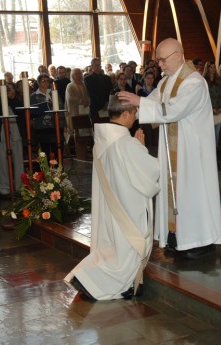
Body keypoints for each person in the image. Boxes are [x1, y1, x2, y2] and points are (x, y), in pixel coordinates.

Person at [117, 38, 221, 259]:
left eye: (163, 60)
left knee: (192, 194)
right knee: (176, 192)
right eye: (158, 61)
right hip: (173, 150)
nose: (160, 65)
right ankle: (177, 237)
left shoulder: (193, 81)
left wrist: (140, 102)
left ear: (178, 55)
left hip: (192, 152)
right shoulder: (166, 83)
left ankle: (199, 241)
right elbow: (153, 102)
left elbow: (174, 109)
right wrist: (130, 106)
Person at [64, 95, 159, 300]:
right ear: (125, 114)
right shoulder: (126, 143)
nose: (136, 117)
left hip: (110, 204)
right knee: (127, 248)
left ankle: (93, 278)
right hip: (127, 206)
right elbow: (149, 173)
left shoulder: (103, 139)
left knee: (114, 246)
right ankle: (99, 283)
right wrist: (141, 147)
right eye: (134, 112)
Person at [84, 57, 113, 124]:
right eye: (96, 65)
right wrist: (101, 104)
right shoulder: (87, 79)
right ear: (92, 66)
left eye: (99, 65)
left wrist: (106, 102)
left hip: (107, 104)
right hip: (94, 105)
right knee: (96, 126)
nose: (98, 67)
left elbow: (110, 91)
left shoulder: (107, 78)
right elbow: (91, 92)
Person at [203, 61, 221, 148]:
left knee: (217, 132)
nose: (213, 69)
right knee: (208, 132)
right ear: (207, 68)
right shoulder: (204, 80)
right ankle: (208, 150)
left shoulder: (218, 79)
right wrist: (212, 109)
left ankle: (215, 150)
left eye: (214, 67)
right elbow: (205, 96)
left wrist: (220, 107)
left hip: (218, 108)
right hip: (208, 109)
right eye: (211, 67)